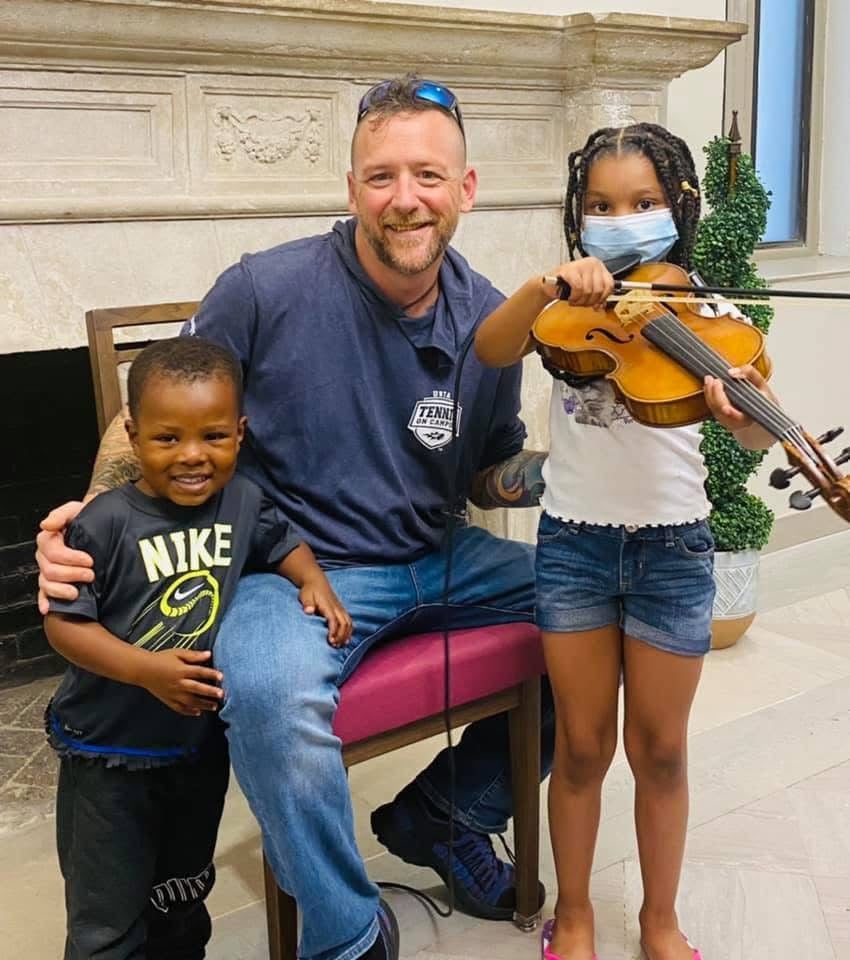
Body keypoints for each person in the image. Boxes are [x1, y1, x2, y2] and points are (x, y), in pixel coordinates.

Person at [36, 76, 553, 960]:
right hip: (294, 568)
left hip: (442, 555)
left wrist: (573, 467)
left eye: (428, 175)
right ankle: (349, 937)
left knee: (605, 612)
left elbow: (487, 476)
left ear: (466, 189)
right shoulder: (261, 290)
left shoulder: (492, 318)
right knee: (269, 695)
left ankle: (443, 815)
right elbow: (146, 423)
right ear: (351, 189)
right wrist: (83, 527)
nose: (405, 199)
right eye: (381, 176)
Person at [475, 122, 780, 960]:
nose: (623, 218)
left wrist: (742, 412)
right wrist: (546, 285)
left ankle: (659, 919)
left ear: (678, 206)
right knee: (578, 745)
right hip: (574, 544)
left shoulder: (708, 315)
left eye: (643, 202)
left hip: (673, 550)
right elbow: (490, 347)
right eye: (603, 206)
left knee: (663, 751)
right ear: (579, 217)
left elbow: (757, 440)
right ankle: (572, 915)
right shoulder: (566, 308)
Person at [44, 336, 351, 960]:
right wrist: (146, 670)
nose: (192, 456)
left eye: (213, 436)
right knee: (106, 915)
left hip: (195, 749)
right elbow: (63, 626)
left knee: (181, 895)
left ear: (240, 432)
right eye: (167, 439)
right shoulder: (102, 523)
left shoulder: (242, 502)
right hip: (109, 752)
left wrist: (313, 579)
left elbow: (279, 541)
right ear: (133, 437)